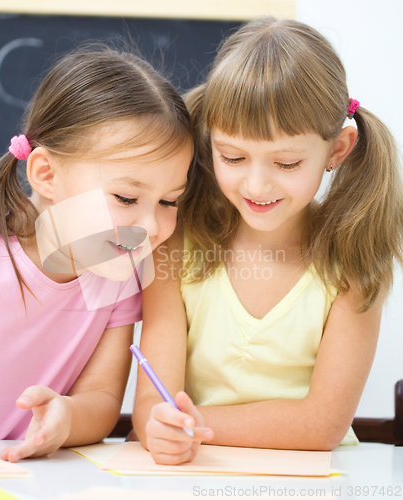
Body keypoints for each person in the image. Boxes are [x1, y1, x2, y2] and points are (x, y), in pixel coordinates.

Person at [132, 17, 403, 465]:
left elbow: (321, 426)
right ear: (210, 142)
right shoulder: (175, 246)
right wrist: (157, 426)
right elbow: (150, 405)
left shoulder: (353, 263)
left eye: (287, 163)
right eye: (233, 157)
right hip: (195, 478)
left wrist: (193, 426)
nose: (256, 186)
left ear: (338, 149)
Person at [0, 43, 193, 463]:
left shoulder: (118, 277)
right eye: (126, 197)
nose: (151, 228)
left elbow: (99, 401)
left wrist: (67, 417)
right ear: (45, 174)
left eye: (169, 202)